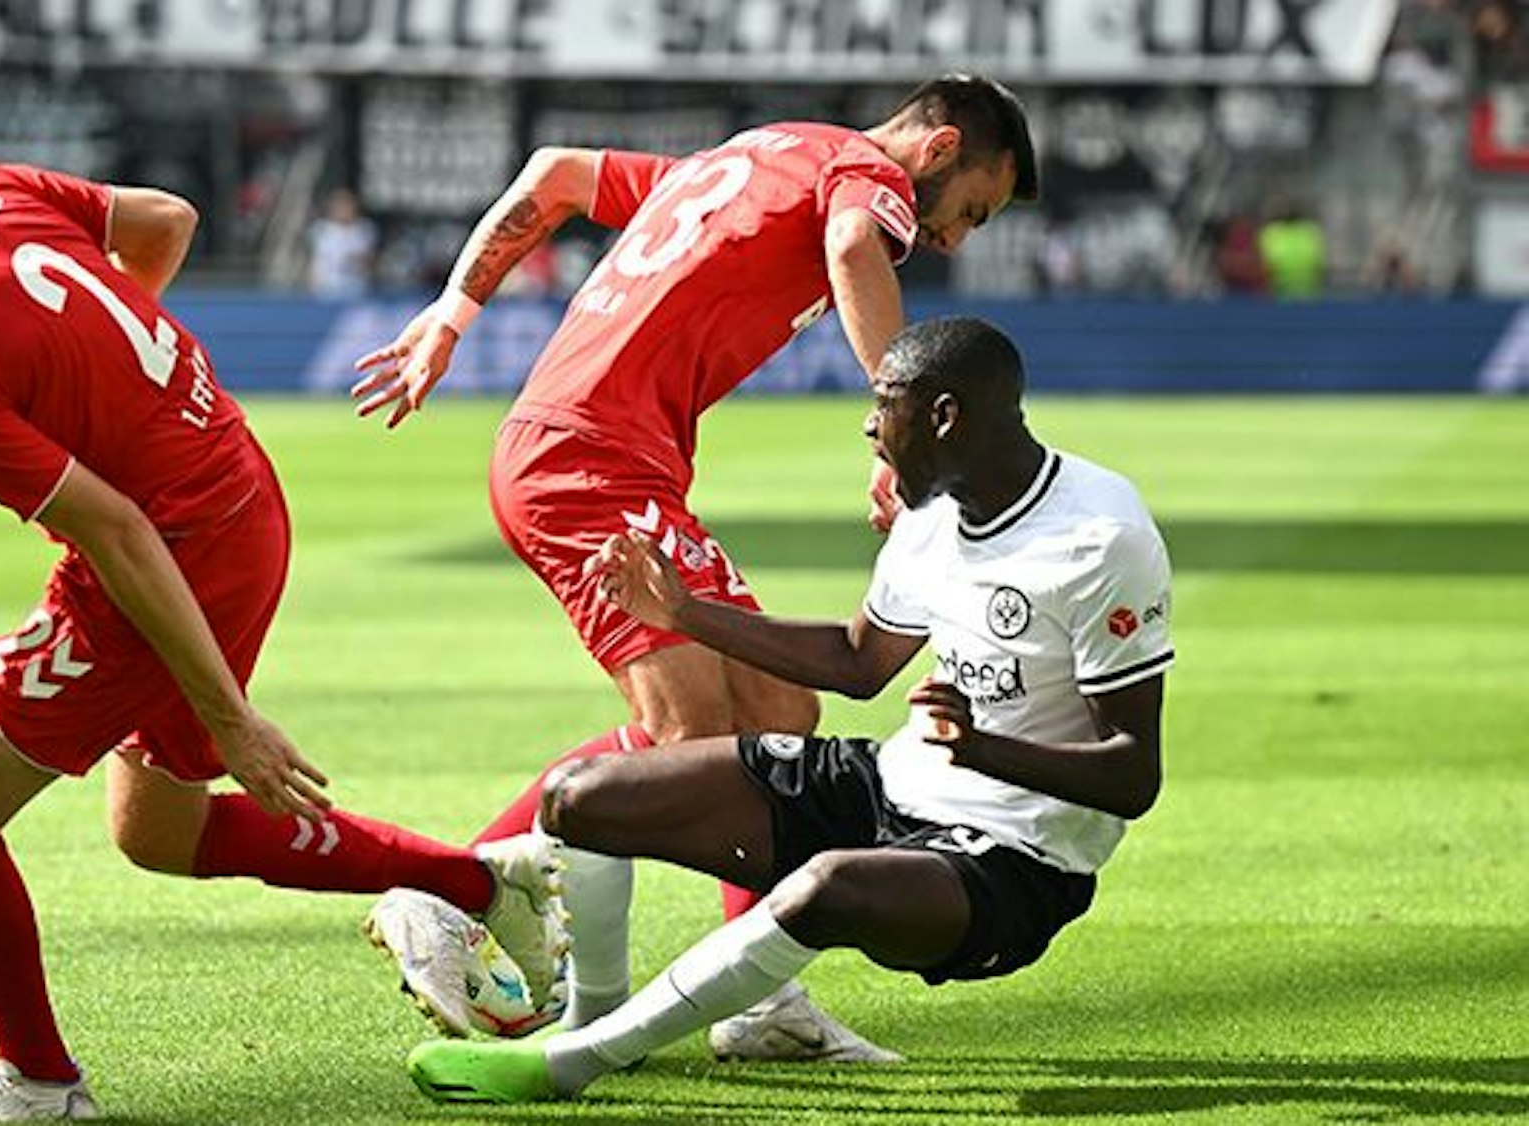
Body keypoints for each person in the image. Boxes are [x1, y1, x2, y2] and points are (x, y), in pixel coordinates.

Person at [0, 139, 565, 1126]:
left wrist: (231, 720)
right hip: (235, 483)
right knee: (155, 829)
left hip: (169, 548)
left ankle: (40, 1084)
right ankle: (478, 881)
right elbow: (166, 219)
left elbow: (117, 528)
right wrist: (122, 390)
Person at [351, 74, 1038, 1060]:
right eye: (969, 209)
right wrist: (903, 440)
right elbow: (852, 245)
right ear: (933, 151)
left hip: (610, 460)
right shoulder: (859, 177)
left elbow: (554, 177)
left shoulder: (749, 160)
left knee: (778, 717)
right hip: (587, 461)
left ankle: (757, 996)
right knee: (683, 731)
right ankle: (451, 892)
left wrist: (453, 312)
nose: (955, 238)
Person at [403, 314, 1174, 1103]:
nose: (871, 427)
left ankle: (572, 1064)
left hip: (1015, 861)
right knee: (580, 795)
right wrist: (685, 614)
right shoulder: (933, 515)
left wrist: (984, 751)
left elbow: (1132, 775)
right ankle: (590, 1014)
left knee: (823, 887)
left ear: (944, 417)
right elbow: (857, 659)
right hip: (894, 784)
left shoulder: (1099, 539)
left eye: (886, 405)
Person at [306, 187, 378, 297]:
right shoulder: (320, 229)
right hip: (327, 290)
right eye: (339, 205)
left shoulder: (365, 229)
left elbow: (370, 260)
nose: (343, 209)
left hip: (356, 288)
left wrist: (356, 261)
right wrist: (312, 286)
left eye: (347, 205)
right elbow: (315, 261)